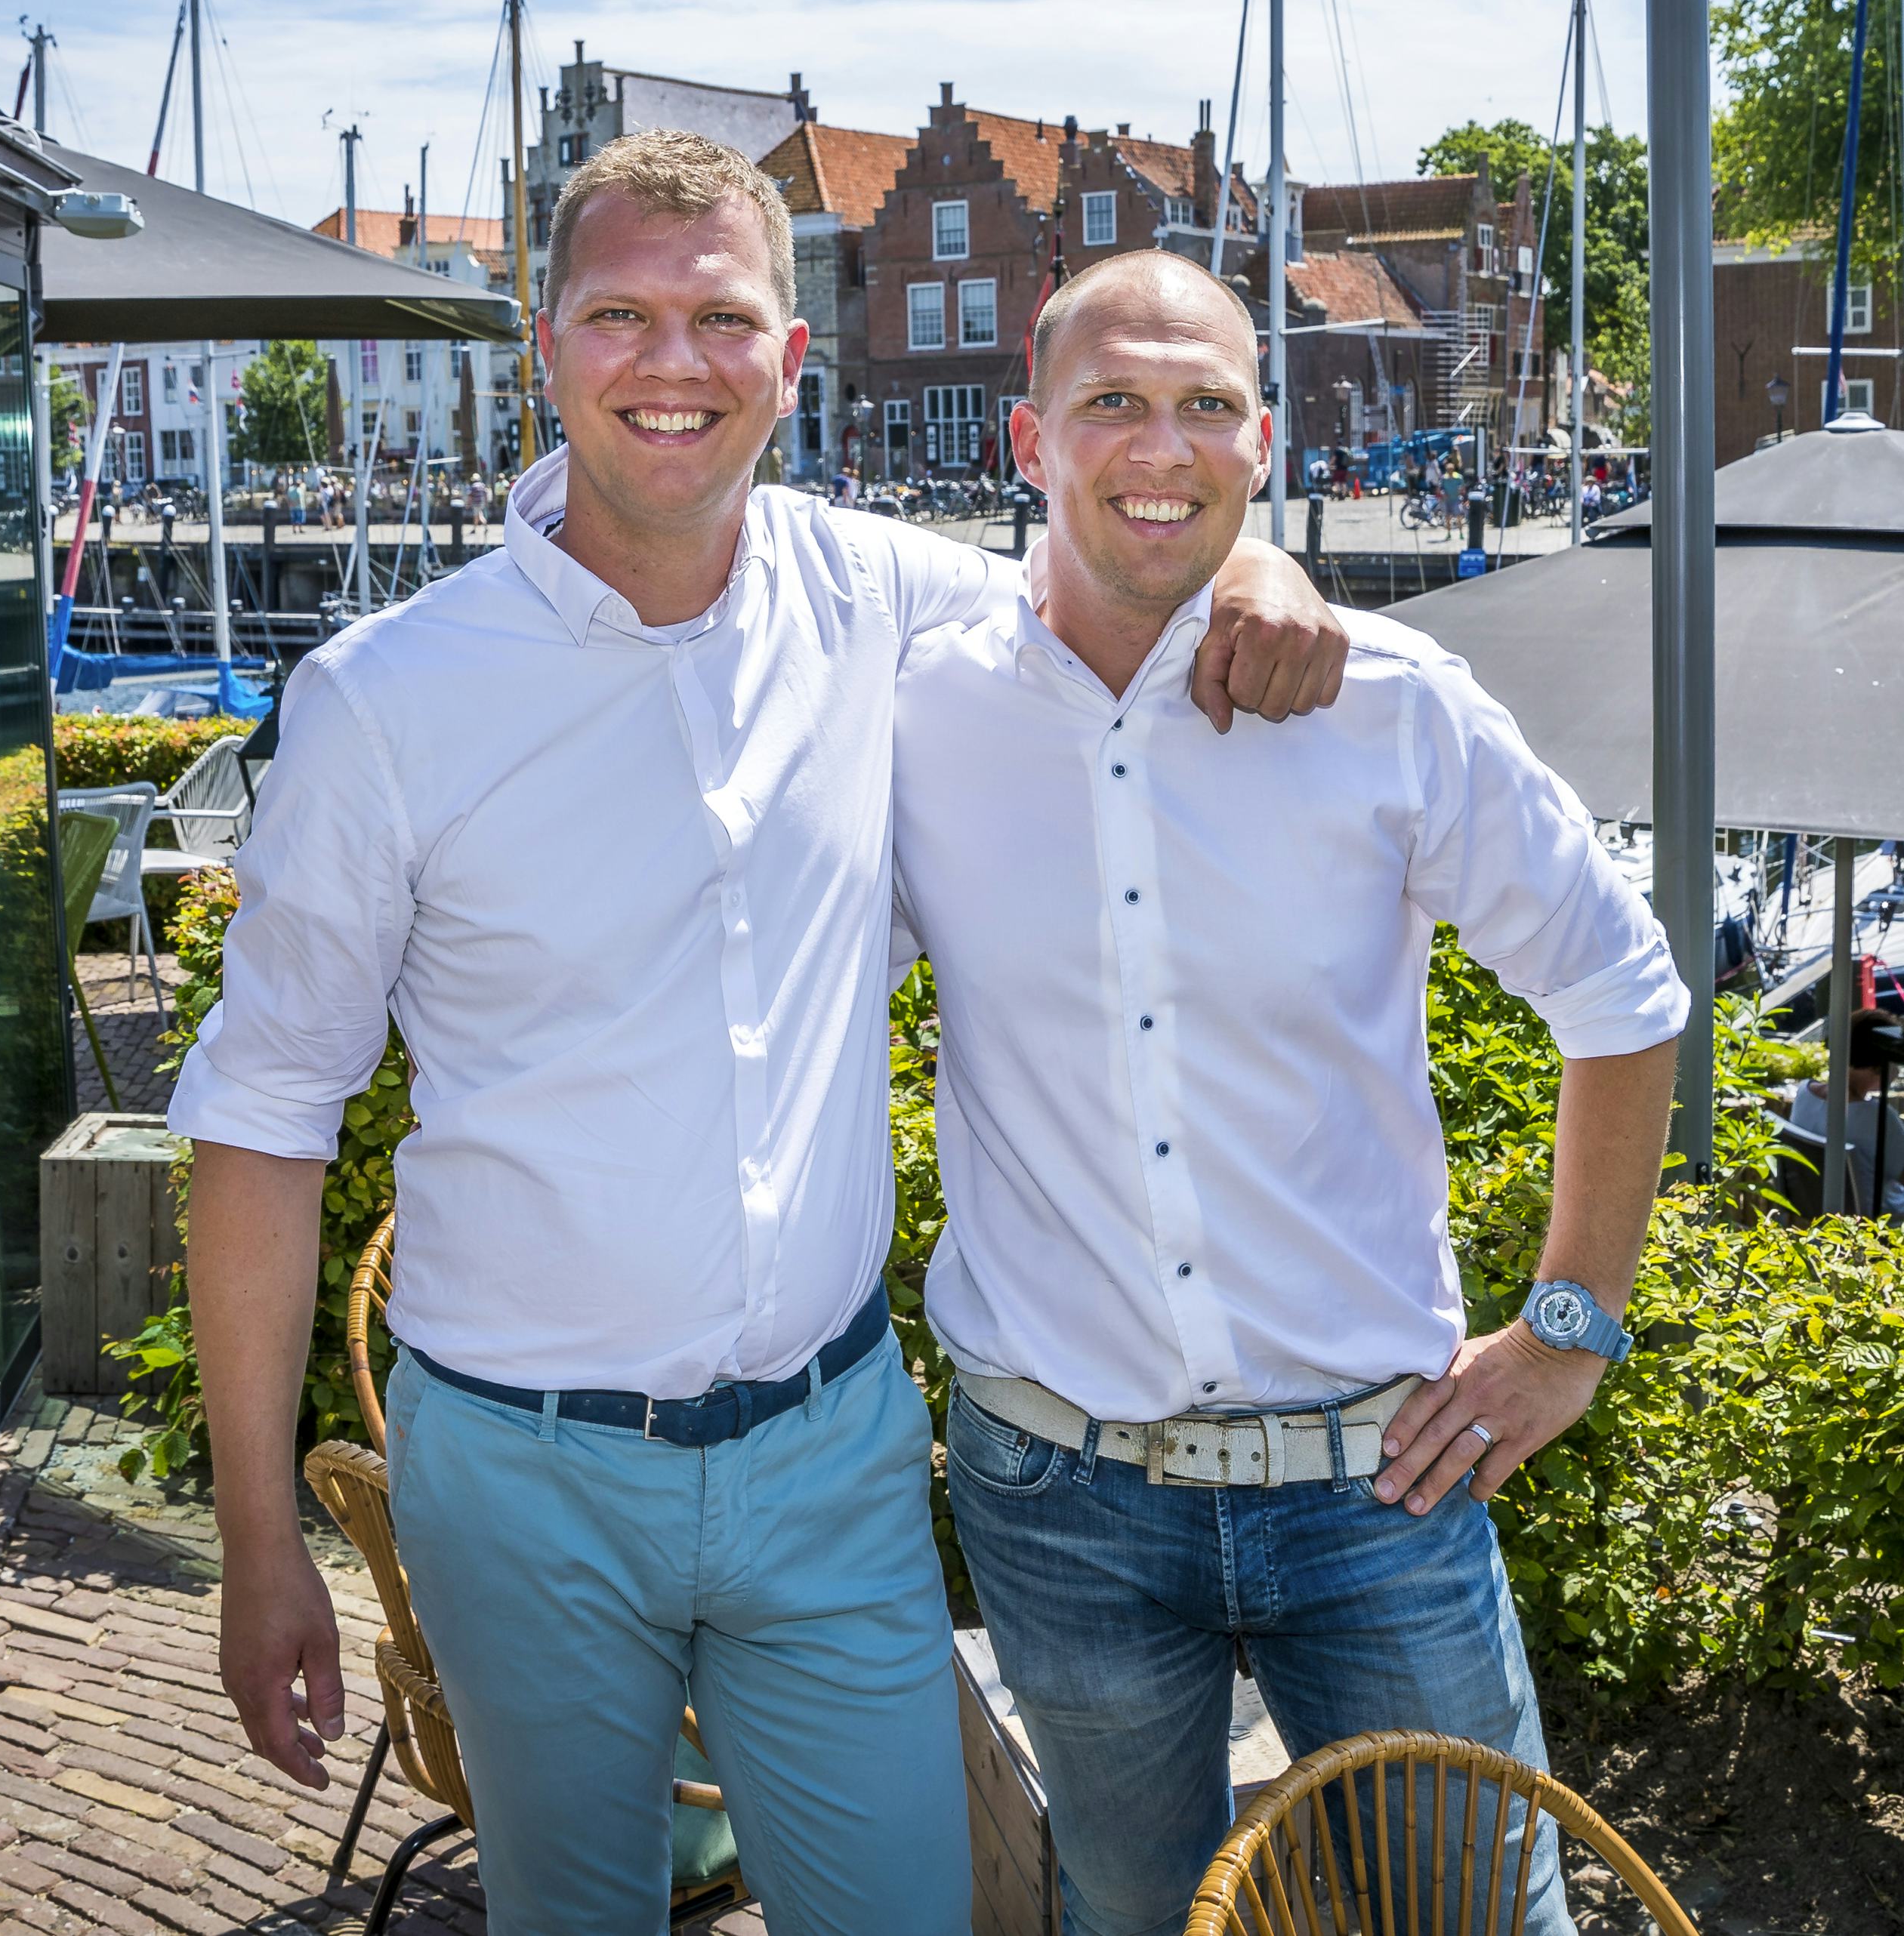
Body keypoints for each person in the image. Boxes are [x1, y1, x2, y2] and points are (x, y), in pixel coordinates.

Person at [169, 134, 1345, 1935]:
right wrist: (263, 1542)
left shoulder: (881, 596)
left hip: (830, 1450)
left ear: (791, 360)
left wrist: (1254, 571)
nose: (673, 361)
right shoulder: (382, 703)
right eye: (619, 315)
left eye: (721, 317)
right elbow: (262, 1125)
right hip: (520, 1474)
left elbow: (1118, 577)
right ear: (544, 346)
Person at [891, 251, 1688, 1936]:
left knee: (1478, 1922)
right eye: (1111, 401)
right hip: (1058, 1489)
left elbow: (1622, 994)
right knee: (1133, 1917)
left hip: (1375, 1480)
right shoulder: (916, 712)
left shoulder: (1393, 706)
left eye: (1204, 406)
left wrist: (1568, 1328)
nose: (1158, 447)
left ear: (1264, 440)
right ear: (1028, 438)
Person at [1785, 1009, 1904, 1217]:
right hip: (1887, 1224)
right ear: (1882, 1062)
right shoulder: (1877, 1118)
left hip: (1821, 1216)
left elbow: (1865, 1173)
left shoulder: (1804, 1095)